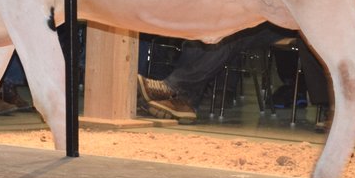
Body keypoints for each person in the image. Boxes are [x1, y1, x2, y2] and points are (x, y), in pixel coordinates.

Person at [137, 25, 330, 126]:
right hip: (267, 7)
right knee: (219, 26)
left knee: (227, 31)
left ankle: (177, 92)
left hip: (298, 14)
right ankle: (182, 96)